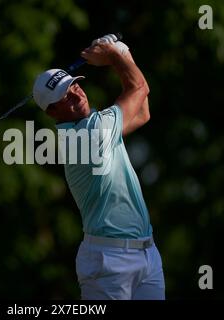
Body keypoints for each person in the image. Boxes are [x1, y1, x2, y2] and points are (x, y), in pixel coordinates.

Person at [32, 34, 165, 300]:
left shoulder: (95, 125)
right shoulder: (91, 133)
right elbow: (139, 88)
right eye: (65, 96)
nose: (75, 94)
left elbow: (142, 112)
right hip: (109, 263)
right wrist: (115, 54)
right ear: (52, 112)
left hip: (146, 253)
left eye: (74, 86)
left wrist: (122, 54)